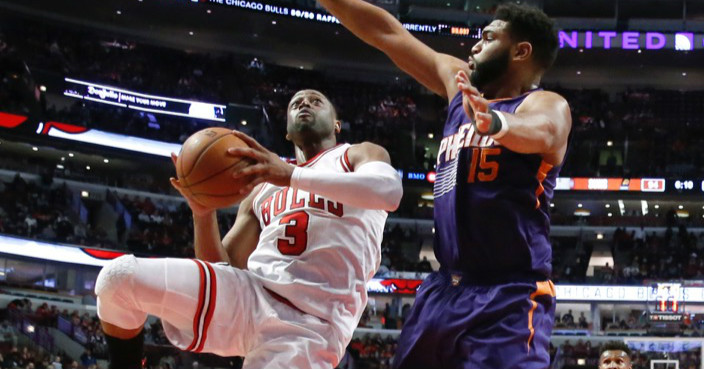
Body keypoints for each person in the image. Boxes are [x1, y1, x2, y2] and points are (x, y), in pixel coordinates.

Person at [315, 1, 570, 368]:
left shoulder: (545, 103)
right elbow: (389, 34)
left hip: (509, 296)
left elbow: (543, 133)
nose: (475, 47)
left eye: (488, 38)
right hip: (443, 290)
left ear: (521, 51)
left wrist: (496, 124)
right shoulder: (458, 85)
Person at [94, 89, 403, 369]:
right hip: (249, 295)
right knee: (118, 280)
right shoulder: (264, 186)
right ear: (286, 131)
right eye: (296, 103)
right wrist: (203, 214)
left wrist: (291, 175)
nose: (304, 103)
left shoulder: (357, 154)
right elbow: (220, 267)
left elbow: (388, 191)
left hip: (311, 325)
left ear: (337, 124)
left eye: (316, 100)